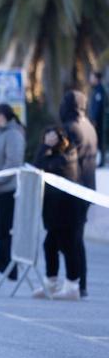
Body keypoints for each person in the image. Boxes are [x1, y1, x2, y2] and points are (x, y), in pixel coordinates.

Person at [33, 125, 82, 300]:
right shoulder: (48, 153)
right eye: (47, 138)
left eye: (53, 138)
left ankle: (72, 285)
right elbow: (37, 167)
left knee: (68, 247)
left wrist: (45, 154)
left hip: (67, 211)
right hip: (53, 212)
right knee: (50, 246)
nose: (51, 141)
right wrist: (44, 149)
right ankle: (51, 282)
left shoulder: (69, 155)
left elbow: (52, 167)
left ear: (62, 139)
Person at [60, 90, 98, 297]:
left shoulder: (71, 128)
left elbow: (63, 159)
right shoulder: (89, 126)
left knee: (70, 239)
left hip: (72, 190)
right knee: (76, 238)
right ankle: (78, 282)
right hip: (86, 189)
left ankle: (74, 281)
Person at [0, 103, 26, 278]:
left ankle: (8, 269)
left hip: (6, 190)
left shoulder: (13, 135)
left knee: (5, 231)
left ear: (1, 116)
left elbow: (13, 163)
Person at [89, 71, 106, 167]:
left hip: (99, 123)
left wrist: (94, 120)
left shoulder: (100, 90)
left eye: (92, 77)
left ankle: (101, 161)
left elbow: (98, 108)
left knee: (99, 142)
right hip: (96, 122)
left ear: (97, 79)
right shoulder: (96, 90)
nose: (90, 80)